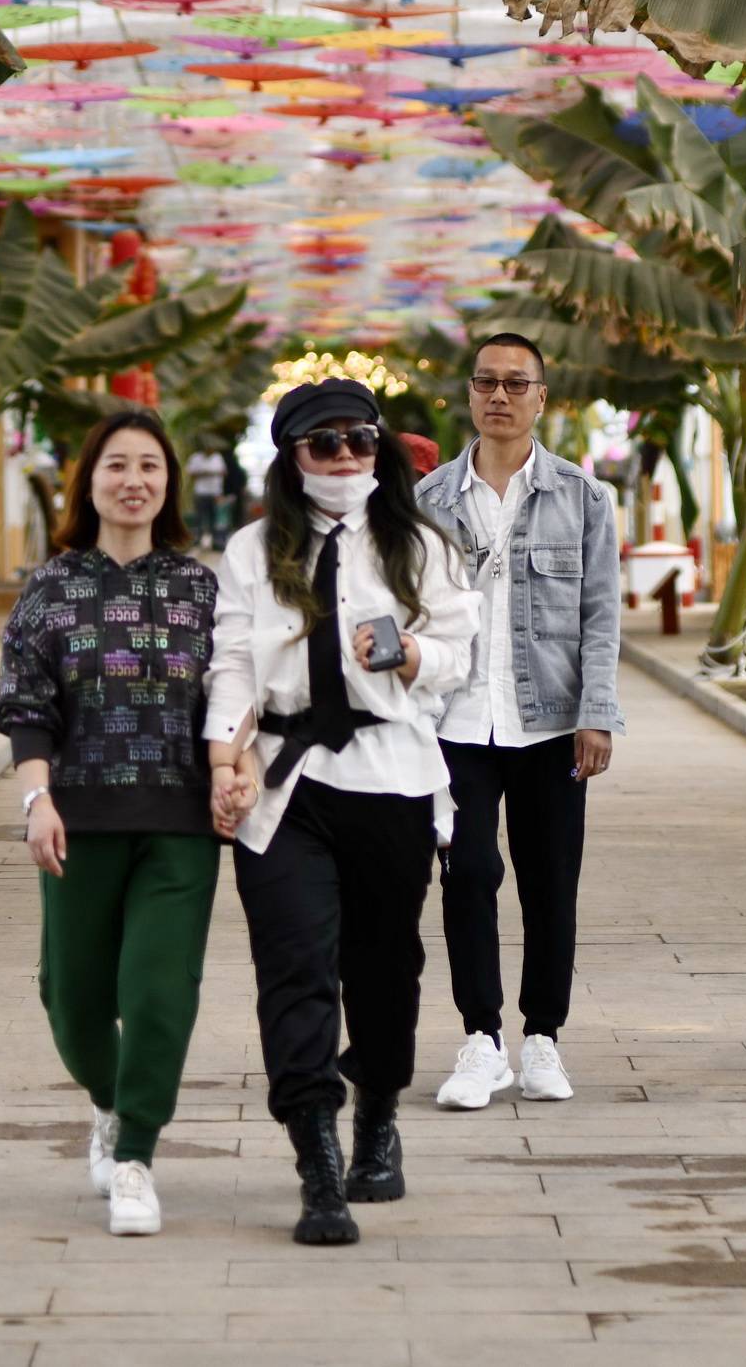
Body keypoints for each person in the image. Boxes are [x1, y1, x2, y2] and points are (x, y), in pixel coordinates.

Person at [206, 377, 474, 1246]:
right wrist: (225, 760)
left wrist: (409, 654)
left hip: (389, 774)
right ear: (293, 456)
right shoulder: (252, 550)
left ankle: (379, 1111)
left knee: (385, 968)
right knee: (295, 966)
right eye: (326, 443)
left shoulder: (419, 544)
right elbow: (233, 664)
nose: (347, 455)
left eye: (362, 439)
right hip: (284, 787)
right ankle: (316, 1158)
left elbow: (460, 654)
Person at [0, 409, 219, 1239]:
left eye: (150, 467)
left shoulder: (201, 587)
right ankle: (108, 1100)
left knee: (159, 991)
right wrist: (36, 799)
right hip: (78, 817)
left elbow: (231, 699)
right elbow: (26, 707)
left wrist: (237, 770)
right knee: (71, 994)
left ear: (168, 483)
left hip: (180, 821)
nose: (134, 480)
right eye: (117, 465)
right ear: (88, 481)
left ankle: (136, 1158)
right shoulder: (51, 587)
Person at [415, 328, 620, 1113]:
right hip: (454, 721)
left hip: (550, 723)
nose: (497, 395)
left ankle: (543, 1038)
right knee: (465, 873)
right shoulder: (428, 501)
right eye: (485, 382)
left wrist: (595, 714)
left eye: (514, 383)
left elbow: (601, 615)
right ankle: (481, 1039)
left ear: (542, 397)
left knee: (549, 883)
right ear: (469, 394)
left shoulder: (583, 496)